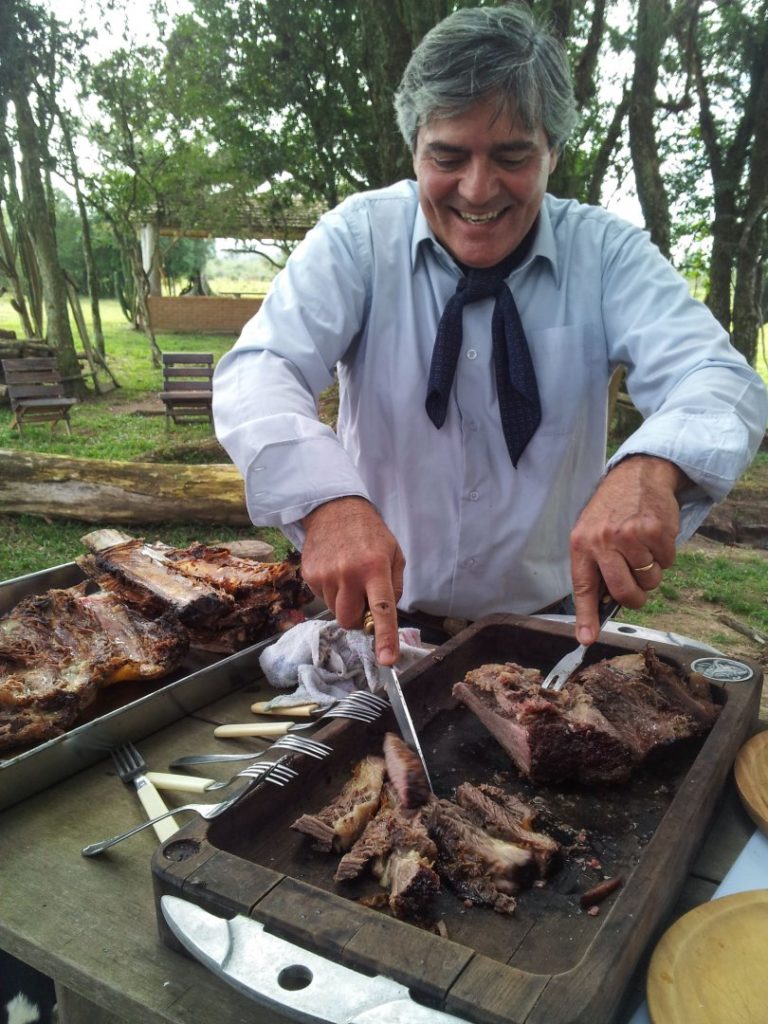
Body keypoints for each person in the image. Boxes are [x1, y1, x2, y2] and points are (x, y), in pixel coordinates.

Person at [213, 3, 767, 667]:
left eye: (512, 156)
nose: (478, 190)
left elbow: (717, 378)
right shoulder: (358, 240)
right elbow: (260, 368)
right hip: (381, 626)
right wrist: (328, 501)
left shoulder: (606, 254)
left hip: (553, 633)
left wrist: (651, 468)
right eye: (447, 156)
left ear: (552, 151)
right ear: (414, 145)